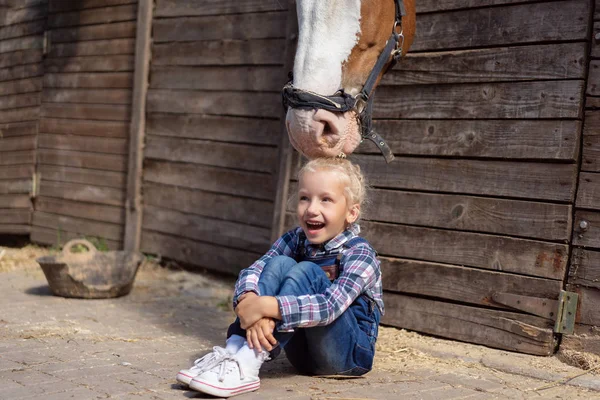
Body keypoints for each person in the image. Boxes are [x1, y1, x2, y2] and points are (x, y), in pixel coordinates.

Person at [175, 157, 383, 398]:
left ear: (351, 212)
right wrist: (249, 299)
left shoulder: (360, 254)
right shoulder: (296, 239)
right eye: (305, 198)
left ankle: (249, 363)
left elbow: (330, 307)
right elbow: (255, 270)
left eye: (326, 199)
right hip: (302, 358)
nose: (312, 209)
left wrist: (267, 306)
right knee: (279, 263)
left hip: (347, 358)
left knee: (308, 272)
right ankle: (232, 352)